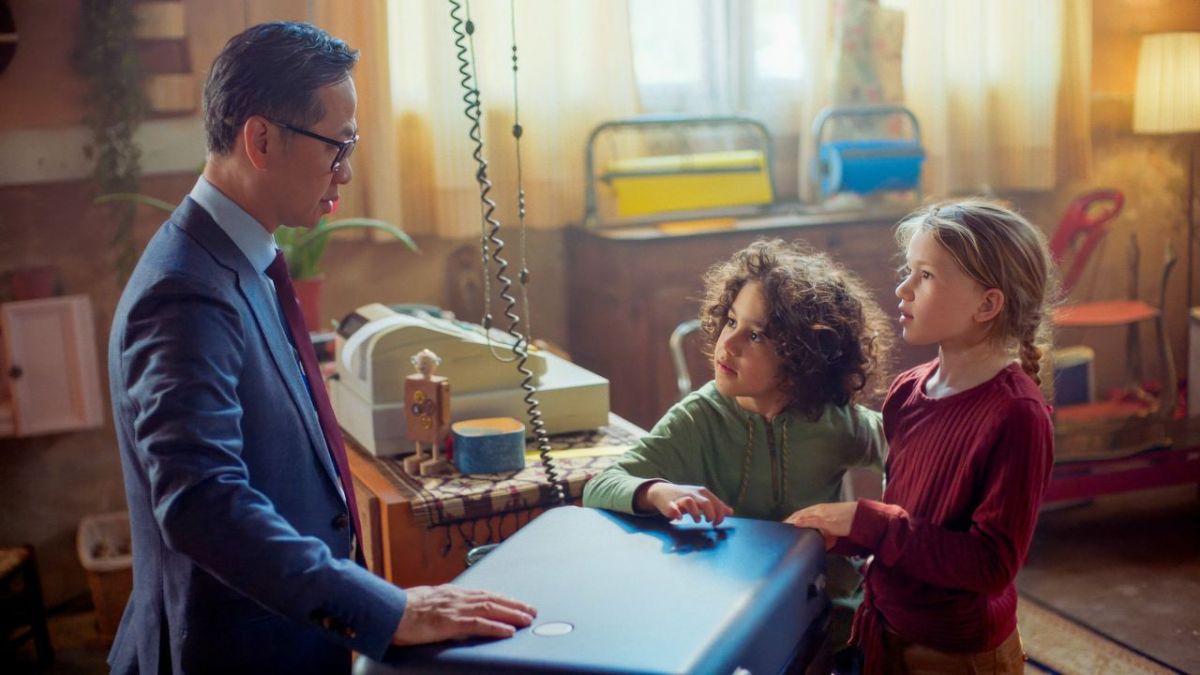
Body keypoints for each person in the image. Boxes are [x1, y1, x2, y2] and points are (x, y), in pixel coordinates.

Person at [107, 22, 534, 674]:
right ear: (260, 140)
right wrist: (387, 610)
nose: (348, 171)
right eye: (338, 146)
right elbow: (202, 504)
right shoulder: (185, 292)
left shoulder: (236, 258)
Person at [583, 239, 893, 673]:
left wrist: (879, 525)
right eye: (731, 321)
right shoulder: (698, 418)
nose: (726, 344)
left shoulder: (834, 419)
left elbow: (905, 454)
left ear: (803, 357)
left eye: (755, 335)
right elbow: (600, 485)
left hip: (828, 612)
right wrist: (657, 491)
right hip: (733, 609)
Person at [787, 200, 1057, 675]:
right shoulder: (908, 390)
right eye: (907, 271)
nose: (903, 288)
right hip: (888, 628)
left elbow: (989, 565)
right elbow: (914, 523)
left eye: (926, 275)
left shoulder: (1017, 415)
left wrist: (869, 524)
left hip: (956, 653)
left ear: (987, 304)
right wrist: (846, 533)